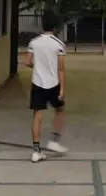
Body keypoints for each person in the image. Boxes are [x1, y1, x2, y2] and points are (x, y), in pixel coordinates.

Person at [25, 9, 68, 162]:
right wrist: (62, 89)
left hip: (37, 83)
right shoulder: (59, 45)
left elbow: (27, 62)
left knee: (37, 115)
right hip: (54, 83)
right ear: (56, 27)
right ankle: (54, 141)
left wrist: (38, 67)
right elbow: (61, 68)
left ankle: (36, 151)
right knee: (60, 111)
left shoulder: (33, 43)